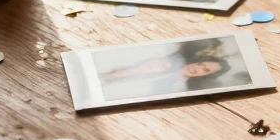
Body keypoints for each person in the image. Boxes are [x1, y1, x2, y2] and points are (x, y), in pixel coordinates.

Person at [97, 39, 235, 100]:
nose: (196, 68)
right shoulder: (168, 58)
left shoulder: (177, 88)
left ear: (205, 77)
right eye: (200, 63)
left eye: (205, 70)